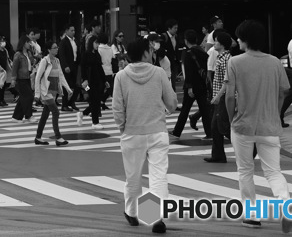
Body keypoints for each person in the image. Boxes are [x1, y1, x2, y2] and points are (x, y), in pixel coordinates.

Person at [224, 20, 292, 233]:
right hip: (270, 125)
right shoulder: (274, 62)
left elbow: (229, 97)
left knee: (245, 170)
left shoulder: (235, 62)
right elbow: (284, 91)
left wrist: (231, 119)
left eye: (239, 37)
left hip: (243, 126)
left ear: (245, 40)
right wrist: (275, 112)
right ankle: (284, 203)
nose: (237, 40)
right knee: (273, 171)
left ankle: (251, 216)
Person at [113, 37, 177, 234]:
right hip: (157, 132)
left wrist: (123, 127)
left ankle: (132, 212)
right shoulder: (158, 73)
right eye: (150, 50)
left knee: (133, 177)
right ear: (145, 53)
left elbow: (117, 108)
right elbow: (172, 103)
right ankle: (155, 217)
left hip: (132, 133)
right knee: (158, 177)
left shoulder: (121, 76)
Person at [172, 30, 211, 139]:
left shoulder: (187, 53)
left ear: (186, 40)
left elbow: (187, 71)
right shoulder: (203, 52)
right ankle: (209, 132)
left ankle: (177, 131)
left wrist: (189, 87)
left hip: (192, 86)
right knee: (204, 109)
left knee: (185, 110)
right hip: (202, 84)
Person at [33, 41, 71, 147]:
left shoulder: (57, 61)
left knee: (45, 115)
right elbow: (37, 77)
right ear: (49, 50)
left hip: (53, 92)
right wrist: (37, 94)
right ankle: (58, 137)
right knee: (56, 112)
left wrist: (68, 89)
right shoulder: (45, 61)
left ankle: (38, 137)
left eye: (57, 47)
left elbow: (61, 76)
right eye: (54, 48)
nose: (57, 49)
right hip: (46, 91)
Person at [205, 30, 233, 163]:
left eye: (216, 41)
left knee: (222, 126)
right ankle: (218, 155)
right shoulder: (220, 57)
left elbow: (227, 81)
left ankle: (250, 147)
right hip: (220, 95)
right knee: (215, 126)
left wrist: (217, 96)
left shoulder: (227, 59)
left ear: (222, 44)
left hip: (225, 96)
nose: (214, 43)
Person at [80, 33, 110, 129]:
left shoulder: (97, 54)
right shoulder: (86, 54)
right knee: (94, 100)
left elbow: (100, 68)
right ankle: (95, 122)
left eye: (98, 43)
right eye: (96, 43)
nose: (97, 45)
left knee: (95, 100)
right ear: (91, 43)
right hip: (88, 82)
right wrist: (84, 79)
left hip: (97, 81)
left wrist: (105, 80)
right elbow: (83, 68)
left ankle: (82, 114)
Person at [11, 37, 34, 123]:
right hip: (20, 79)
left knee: (22, 98)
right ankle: (29, 115)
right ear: (24, 43)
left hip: (27, 77)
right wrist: (13, 79)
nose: (29, 44)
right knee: (29, 96)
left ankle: (16, 117)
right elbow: (14, 67)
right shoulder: (18, 54)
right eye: (28, 42)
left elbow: (30, 64)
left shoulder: (28, 53)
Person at [58, 24, 80, 111]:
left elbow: (78, 54)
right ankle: (64, 105)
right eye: (71, 30)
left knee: (77, 86)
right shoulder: (63, 42)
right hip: (67, 66)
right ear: (66, 31)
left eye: (74, 30)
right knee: (66, 86)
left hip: (75, 65)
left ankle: (72, 102)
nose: (73, 32)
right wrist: (65, 66)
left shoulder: (75, 41)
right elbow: (62, 55)